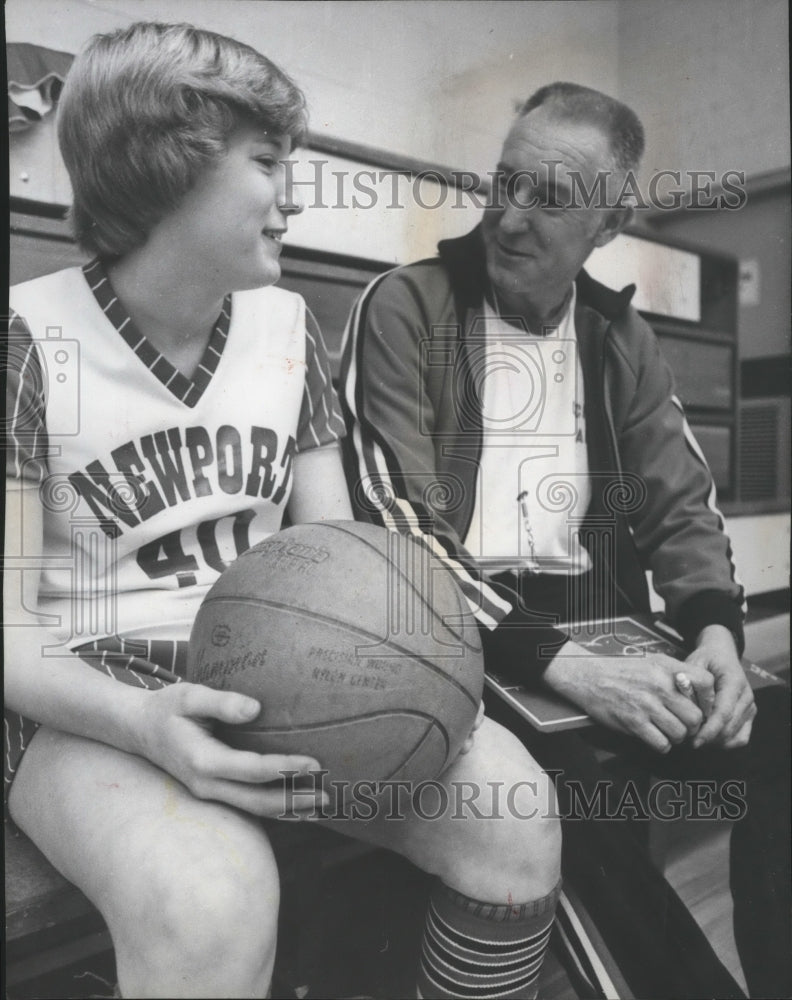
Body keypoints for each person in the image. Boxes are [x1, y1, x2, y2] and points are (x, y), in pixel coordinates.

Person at [4, 24, 562, 1000]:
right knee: (211, 896)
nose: (296, 192)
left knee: (513, 809)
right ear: (163, 171)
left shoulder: (288, 326)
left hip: (272, 676)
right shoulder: (26, 338)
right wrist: (141, 724)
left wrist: (416, 660)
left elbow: (332, 556)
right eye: (267, 162)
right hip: (82, 700)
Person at [341, 81, 790, 998]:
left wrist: (716, 637)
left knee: (780, 731)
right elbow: (398, 526)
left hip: (599, 624)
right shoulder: (404, 306)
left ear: (609, 221)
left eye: (548, 198)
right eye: (504, 181)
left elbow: (683, 506)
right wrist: (563, 664)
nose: (507, 217)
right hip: (462, 633)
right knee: (572, 786)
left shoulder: (620, 333)